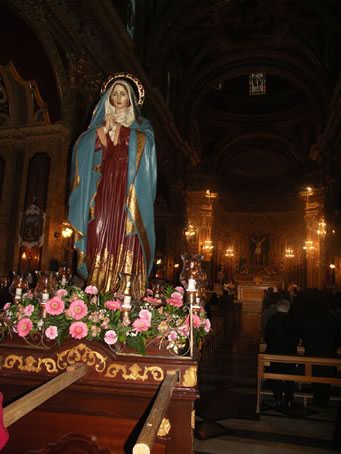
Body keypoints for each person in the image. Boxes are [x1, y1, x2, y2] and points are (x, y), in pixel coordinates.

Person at [68, 73, 157, 297]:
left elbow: (148, 149)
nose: (118, 98)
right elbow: (81, 148)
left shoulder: (142, 125)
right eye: (114, 94)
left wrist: (123, 132)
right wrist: (103, 132)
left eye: (123, 94)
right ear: (108, 97)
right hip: (104, 187)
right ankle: (98, 285)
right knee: (97, 229)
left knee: (127, 234)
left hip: (129, 189)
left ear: (130, 99)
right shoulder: (100, 123)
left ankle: (126, 288)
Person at [265, 298, 299, 407]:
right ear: (288, 308)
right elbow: (297, 338)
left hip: (275, 352)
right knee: (290, 376)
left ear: (277, 307)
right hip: (290, 353)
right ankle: (289, 399)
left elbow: (266, 336)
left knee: (276, 375)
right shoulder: (293, 320)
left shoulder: (271, 320)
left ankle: (278, 397)